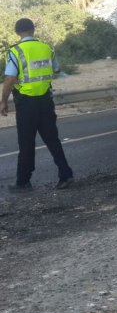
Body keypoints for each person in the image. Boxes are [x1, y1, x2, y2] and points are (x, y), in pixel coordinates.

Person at [1, 18, 74, 193]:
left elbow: (10, 79)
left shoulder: (15, 51)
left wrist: (3, 101)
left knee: (26, 142)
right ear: (33, 29)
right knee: (52, 139)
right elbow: (56, 69)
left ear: (17, 32)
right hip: (46, 101)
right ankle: (66, 175)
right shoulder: (47, 48)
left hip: (26, 103)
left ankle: (23, 182)